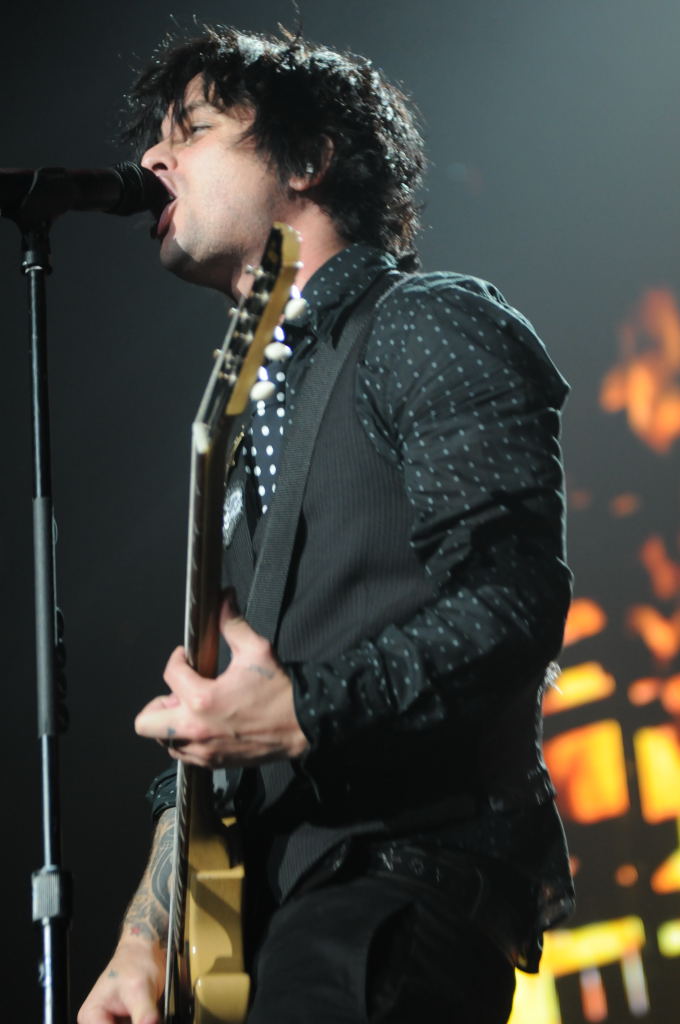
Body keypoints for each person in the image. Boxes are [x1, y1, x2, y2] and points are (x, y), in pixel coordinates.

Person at [78, 24, 574, 1024]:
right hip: (273, 914)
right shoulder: (241, 417)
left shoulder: (425, 322)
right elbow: (220, 722)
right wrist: (145, 937)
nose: (152, 159)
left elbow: (514, 604)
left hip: (396, 885)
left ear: (306, 158)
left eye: (193, 129)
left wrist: (305, 709)